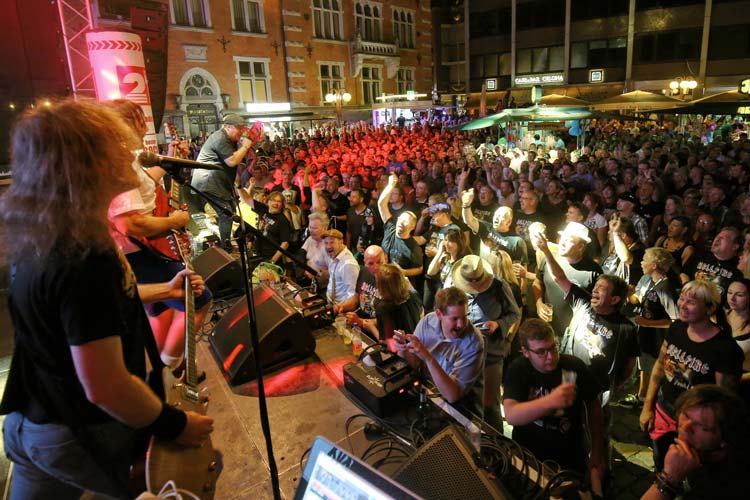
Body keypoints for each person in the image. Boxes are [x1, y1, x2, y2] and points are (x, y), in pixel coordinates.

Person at [0, 99, 213, 499]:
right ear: (91, 163)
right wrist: (175, 424)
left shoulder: (46, 234)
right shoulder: (85, 256)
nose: (129, 153)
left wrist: (165, 291)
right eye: (115, 144)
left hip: (34, 420)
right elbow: (105, 385)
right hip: (76, 433)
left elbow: (79, 319)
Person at [106, 99, 213, 369]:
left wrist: (168, 160)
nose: (145, 125)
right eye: (141, 119)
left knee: (161, 309)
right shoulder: (119, 163)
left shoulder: (122, 158)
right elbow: (131, 224)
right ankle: (173, 366)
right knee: (199, 299)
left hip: (135, 253)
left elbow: (143, 186)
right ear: (133, 122)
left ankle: (159, 365)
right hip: (140, 252)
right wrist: (174, 221)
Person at [639, 280, 744, 471]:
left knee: (690, 468)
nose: (682, 305)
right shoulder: (677, 328)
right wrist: (648, 406)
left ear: (710, 308)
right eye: (682, 299)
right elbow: (660, 367)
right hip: (664, 411)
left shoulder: (724, 349)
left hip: (694, 424)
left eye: (692, 302)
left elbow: (721, 401)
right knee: (661, 460)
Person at [503, 319, 605, 490]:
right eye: (541, 352)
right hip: (529, 453)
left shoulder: (573, 366)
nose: (550, 356)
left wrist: (597, 449)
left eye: (553, 347)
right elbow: (511, 415)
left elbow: (594, 407)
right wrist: (551, 401)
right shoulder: (519, 369)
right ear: (526, 352)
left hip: (570, 453)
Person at [640, 385, 749, 500]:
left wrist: (669, 480)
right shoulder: (698, 449)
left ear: (724, 441)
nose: (686, 427)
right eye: (686, 415)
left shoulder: (728, 486)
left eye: (702, 426)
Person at [451, 255, 521, 430]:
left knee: (490, 404)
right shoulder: (453, 286)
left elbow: (515, 314)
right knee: (465, 398)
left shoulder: (499, 286)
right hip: (463, 353)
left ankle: (496, 444)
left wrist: (498, 324)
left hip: (491, 355)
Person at [394, 287, 485, 408]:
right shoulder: (427, 322)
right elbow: (414, 363)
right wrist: (403, 349)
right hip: (429, 392)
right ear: (439, 314)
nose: (461, 324)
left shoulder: (473, 342)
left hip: (462, 407)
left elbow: (453, 395)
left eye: (464, 317)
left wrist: (428, 358)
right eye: (455, 318)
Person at [622, 248, 680, 408]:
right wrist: (628, 294)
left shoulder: (665, 288)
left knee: (654, 366)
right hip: (646, 334)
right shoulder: (647, 280)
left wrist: (649, 323)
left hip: (658, 337)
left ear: (654, 265)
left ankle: (653, 401)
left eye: (644, 260)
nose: (641, 262)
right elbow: (638, 300)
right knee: (645, 364)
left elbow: (676, 319)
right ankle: (641, 397)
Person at [190, 113, 254, 251]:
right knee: (226, 213)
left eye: (243, 128)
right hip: (209, 181)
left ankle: (226, 242)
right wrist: (245, 147)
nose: (242, 131)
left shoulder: (227, 138)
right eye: (239, 128)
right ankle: (226, 247)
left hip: (216, 182)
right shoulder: (220, 138)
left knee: (230, 210)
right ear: (227, 127)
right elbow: (231, 161)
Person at [532, 221, 602, 337]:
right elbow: (538, 282)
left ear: (581, 247)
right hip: (547, 330)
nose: (562, 242)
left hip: (575, 335)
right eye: (562, 238)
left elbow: (597, 305)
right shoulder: (549, 259)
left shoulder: (594, 271)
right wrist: (539, 303)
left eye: (569, 240)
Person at [347, 263, 423, 348]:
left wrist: (371, 327)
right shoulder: (412, 294)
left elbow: (389, 345)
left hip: (402, 353)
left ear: (382, 287)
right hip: (416, 345)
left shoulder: (383, 308)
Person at [377, 174, 424, 286]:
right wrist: (391, 185)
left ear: (412, 227)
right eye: (401, 220)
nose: (402, 223)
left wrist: (403, 272)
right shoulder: (390, 229)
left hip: (399, 285)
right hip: (383, 278)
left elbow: (420, 268)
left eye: (406, 222)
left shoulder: (413, 247)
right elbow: (381, 204)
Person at [323, 229, 359, 315]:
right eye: (326, 243)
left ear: (341, 242)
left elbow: (353, 297)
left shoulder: (348, 264)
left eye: (332, 242)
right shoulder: (334, 256)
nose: (328, 246)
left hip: (341, 311)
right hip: (330, 304)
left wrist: (339, 309)